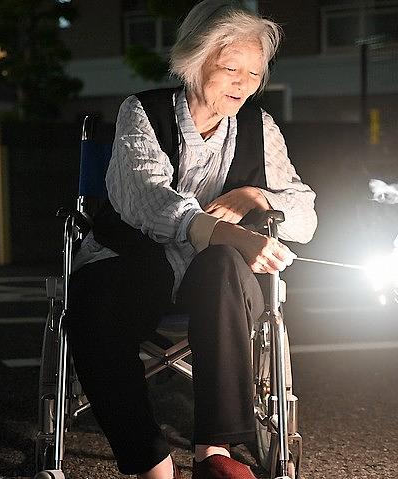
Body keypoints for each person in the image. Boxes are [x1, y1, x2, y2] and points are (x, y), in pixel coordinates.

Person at [65, 1, 317, 478]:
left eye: (255, 72)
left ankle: (215, 453)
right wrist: (231, 235)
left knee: (223, 266)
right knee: (92, 296)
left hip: (217, 278)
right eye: (230, 68)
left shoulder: (259, 128)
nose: (245, 83)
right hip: (139, 258)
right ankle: (150, 460)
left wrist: (253, 194)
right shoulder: (142, 112)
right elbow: (147, 201)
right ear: (195, 60)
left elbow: (304, 214)